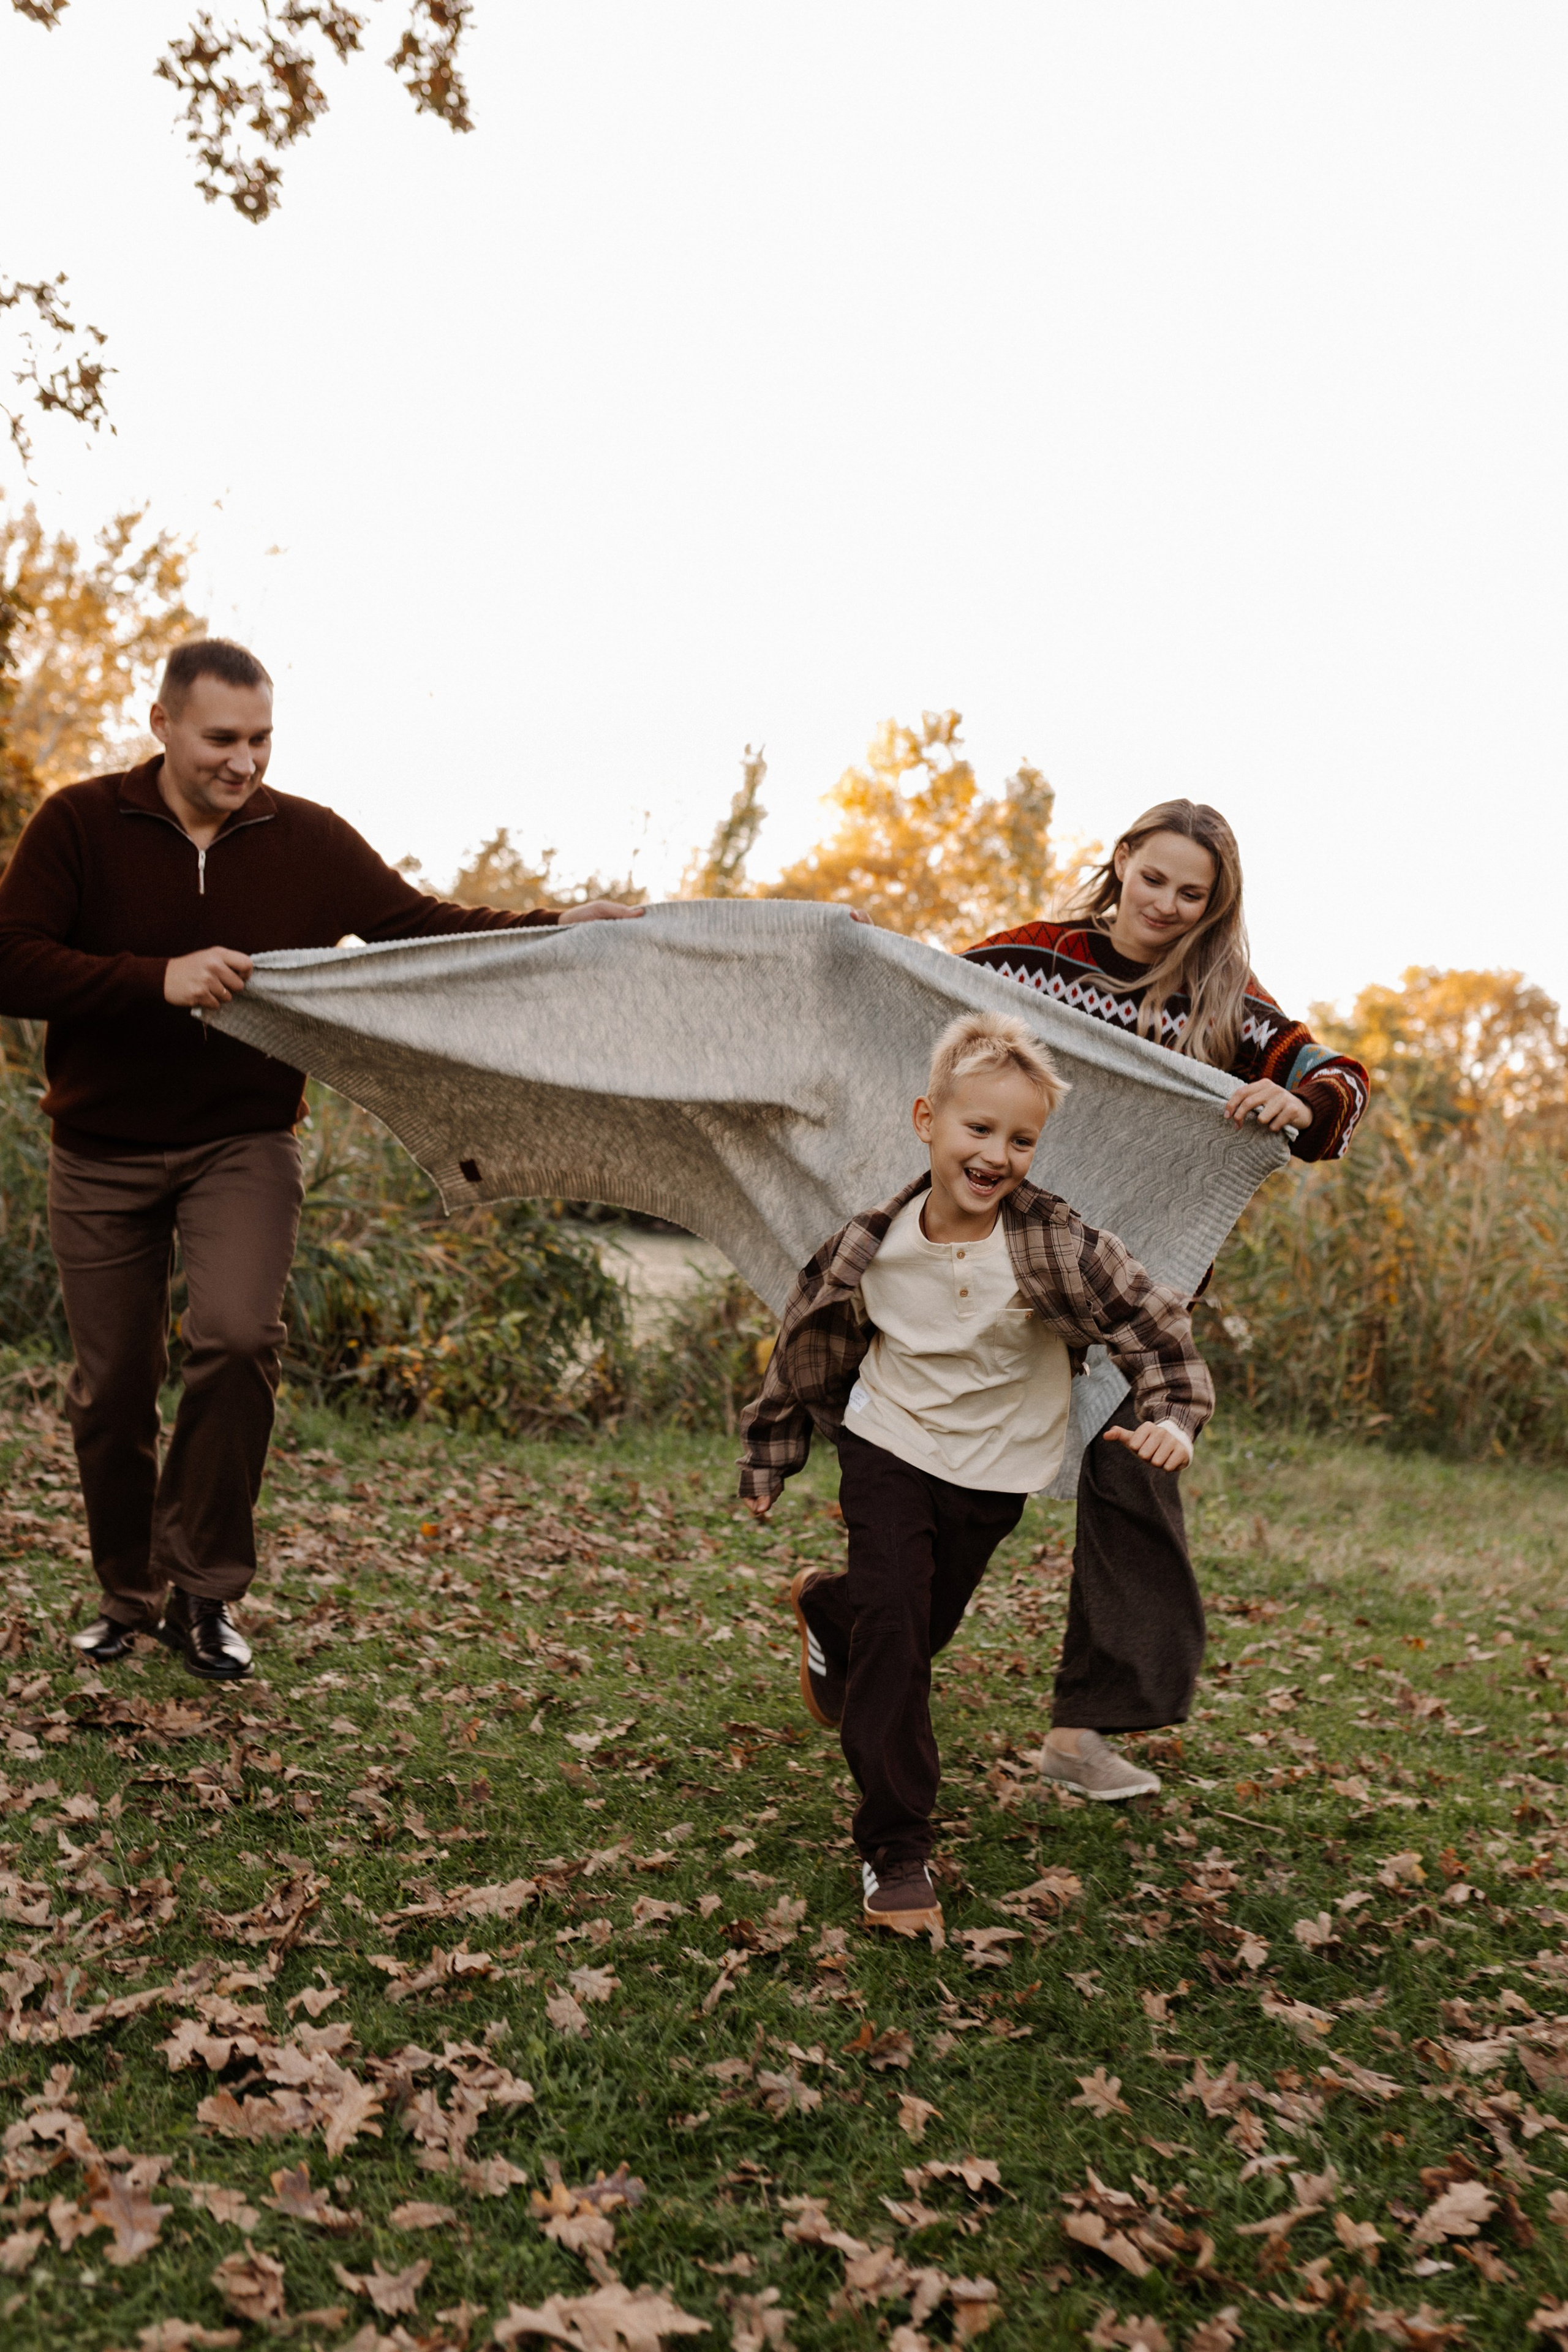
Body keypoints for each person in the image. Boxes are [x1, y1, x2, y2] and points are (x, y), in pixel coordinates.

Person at [0, 637, 638, 1683]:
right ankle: (130, 1595)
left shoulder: (308, 841)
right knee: (113, 1389)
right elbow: (11, 957)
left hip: (241, 1143)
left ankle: (204, 1594)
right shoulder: (79, 823)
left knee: (241, 1337)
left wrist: (559, 927)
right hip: (100, 1151)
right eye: (220, 739)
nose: (242, 762)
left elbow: (424, 932)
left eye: (259, 740)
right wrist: (154, 979)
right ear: (161, 725)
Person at [737, 1010, 1211, 1936]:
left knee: (919, 1626)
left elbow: (1160, 1330)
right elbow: (801, 1346)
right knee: (897, 1636)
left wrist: (1172, 1420)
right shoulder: (870, 1242)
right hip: (888, 1442)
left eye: (1022, 1138)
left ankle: (830, 1611)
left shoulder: (1057, 1246)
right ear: (928, 1121)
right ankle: (896, 1851)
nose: (997, 1153)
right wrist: (771, 1453)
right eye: (979, 1129)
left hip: (996, 1468)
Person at [962, 798, 1370, 1793]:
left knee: (1138, 1474)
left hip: (1148, 1290)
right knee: (974, 1481)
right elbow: (910, 998)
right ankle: (857, 1627)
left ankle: (1082, 1733)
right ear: (1121, 862)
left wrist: (1297, 1098)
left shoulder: (1228, 1004)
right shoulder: (1032, 958)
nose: (1167, 906)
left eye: (1193, 895)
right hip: (1018, 1266)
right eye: (1155, 880)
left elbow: (1341, 1083)